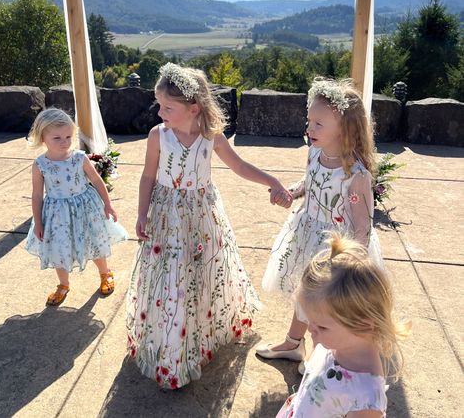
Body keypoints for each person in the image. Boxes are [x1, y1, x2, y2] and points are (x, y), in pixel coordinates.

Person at [126, 62, 292, 389]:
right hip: (166, 215)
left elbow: (239, 165)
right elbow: (148, 176)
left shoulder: (210, 137)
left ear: (193, 108)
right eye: (159, 105)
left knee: (199, 273)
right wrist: (142, 213)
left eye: (167, 107)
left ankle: (195, 332)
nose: (160, 113)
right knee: (171, 277)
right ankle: (172, 350)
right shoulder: (158, 136)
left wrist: (271, 181)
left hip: (201, 215)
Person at [257, 77, 383, 364]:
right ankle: (293, 343)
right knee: (305, 293)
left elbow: (362, 224)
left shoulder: (356, 174)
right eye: (309, 120)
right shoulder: (315, 152)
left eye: (318, 124)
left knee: (326, 303)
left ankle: (322, 356)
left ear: (344, 128)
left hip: (335, 245)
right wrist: (291, 193)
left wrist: (350, 263)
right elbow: (310, 181)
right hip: (307, 232)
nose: (309, 128)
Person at [276, 233, 410, 417]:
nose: (310, 330)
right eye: (310, 321)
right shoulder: (331, 344)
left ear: (362, 325)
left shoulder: (366, 399)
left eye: (321, 327)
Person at [25, 108, 128, 305]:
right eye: (57, 138)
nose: (65, 142)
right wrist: (38, 222)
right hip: (56, 214)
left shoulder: (79, 157)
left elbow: (97, 182)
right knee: (59, 248)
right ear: (42, 138)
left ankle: (105, 273)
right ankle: (63, 284)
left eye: (68, 136)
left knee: (94, 240)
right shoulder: (40, 165)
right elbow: (37, 195)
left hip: (86, 209)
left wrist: (107, 205)